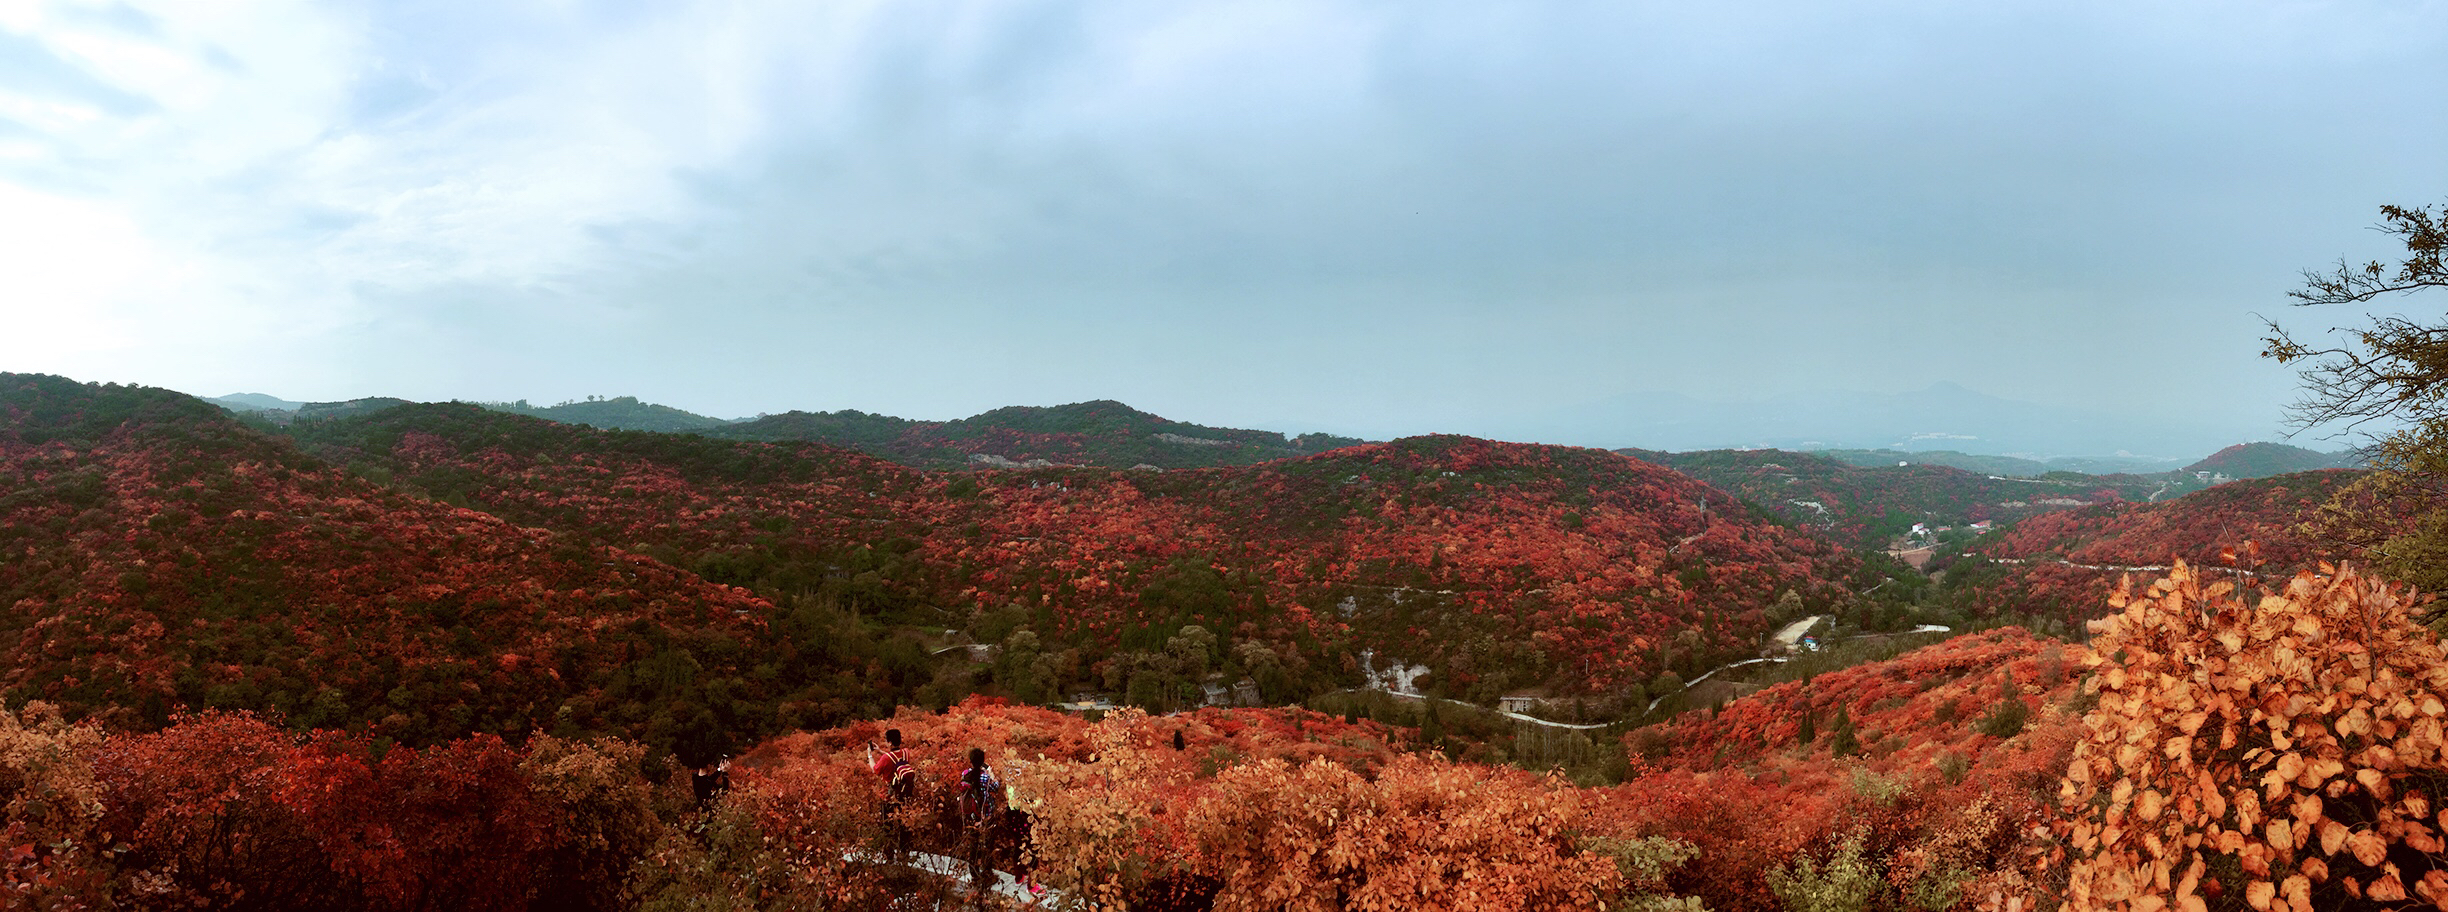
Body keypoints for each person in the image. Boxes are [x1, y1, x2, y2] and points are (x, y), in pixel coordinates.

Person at [865, 729, 917, 861]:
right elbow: (896, 758)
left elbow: (875, 770)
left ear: (889, 742)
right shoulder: (906, 753)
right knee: (903, 825)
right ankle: (904, 853)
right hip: (904, 794)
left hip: (889, 795)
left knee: (887, 826)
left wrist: (870, 755)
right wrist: (880, 751)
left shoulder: (886, 758)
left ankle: (889, 856)